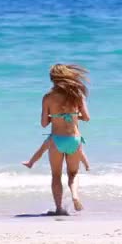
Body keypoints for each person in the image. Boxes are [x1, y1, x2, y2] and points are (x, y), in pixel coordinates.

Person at [37, 64, 90, 215]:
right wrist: (74, 116)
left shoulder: (47, 97)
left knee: (56, 175)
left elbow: (43, 124)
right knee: (73, 174)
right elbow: (86, 117)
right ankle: (75, 196)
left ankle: (59, 208)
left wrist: (55, 117)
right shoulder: (77, 96)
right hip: (74, 140)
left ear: (53, 79)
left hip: (56, 141)